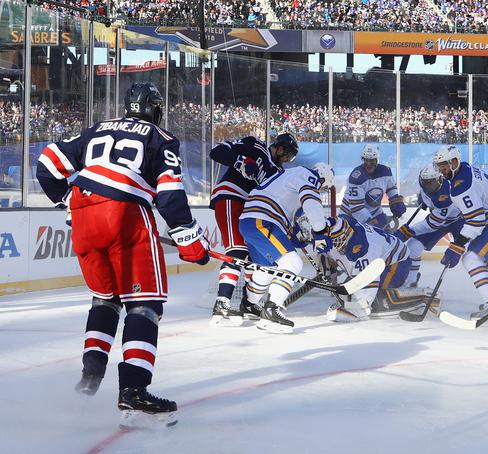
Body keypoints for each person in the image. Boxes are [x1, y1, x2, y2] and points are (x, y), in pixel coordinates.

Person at [36, 82, 209, 427]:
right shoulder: (161, 137)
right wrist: (191, 242)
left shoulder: (95, 130)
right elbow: (170, 195)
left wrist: (70, 203)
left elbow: (46, 164)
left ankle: (90, 377)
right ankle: (134, 392)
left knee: (105, 298)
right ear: (156, 109)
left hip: (85, 214)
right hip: (125, 215)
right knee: (145, 304)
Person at [208, 133, 298, 326]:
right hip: (231, 196)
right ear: (281, 148)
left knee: (254, 258)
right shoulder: (255, 145)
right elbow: (217, 151)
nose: (287, 161)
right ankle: (221, 303)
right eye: (287, 155)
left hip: (250, 211)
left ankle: (249, 304)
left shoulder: (277, 173)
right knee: (237, 251)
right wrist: (239, 161)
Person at [239, 162, 335, 334]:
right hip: (263, 220)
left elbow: (285, 209)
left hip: (250, 220)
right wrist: (320, 231)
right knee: (293, 263)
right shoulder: (309, 175)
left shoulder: (289, 175)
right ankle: (271, 310)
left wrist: (294, 235)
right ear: (322, 177)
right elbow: (311, 202)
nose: (319, 190)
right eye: (322, 187)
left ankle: (249, 303)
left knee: (268, 268)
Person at [433, 145, 488, 323]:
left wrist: (456, 245)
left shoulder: (461, 186)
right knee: (476, 257)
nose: (442, 169)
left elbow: (476, 222)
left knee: (471, 258)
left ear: (454, 162)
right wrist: (459, 244)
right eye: (439, 165)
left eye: (444, 164)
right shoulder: (465, 169)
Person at [316, 216, 425, 322]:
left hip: (396, 265)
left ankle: (422, 295)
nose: (334, 245)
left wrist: (357, 308)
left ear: (346, 235)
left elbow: (368, 286)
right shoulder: (343, 229)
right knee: (346, 295)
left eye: (336, 241)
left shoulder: (365, 250)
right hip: (382, 258)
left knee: (377, 299)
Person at [395, 164, 464, 288]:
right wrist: (424, 200)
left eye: (432, 182)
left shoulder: (445, 194)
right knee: (413, 246)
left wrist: (408, 231)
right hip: (439, 220)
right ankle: (411, 281)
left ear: (440, 179)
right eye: (426, 182)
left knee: (471, 256)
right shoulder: (425, 187)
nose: (429, 186)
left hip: (458, 221)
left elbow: (433, 224)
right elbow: (425, 194)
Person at [340, 144, 406, 230]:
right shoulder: (356, 176)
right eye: (366, 160)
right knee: (357, 242)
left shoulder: (386, 171)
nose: (368, 164)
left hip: (375, 212)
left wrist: (396, 202)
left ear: (377, 160)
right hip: (350, 216)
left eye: (372, 161)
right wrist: (373, 223)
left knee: (387, 238)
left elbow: (391, 189)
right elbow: (356, 208)